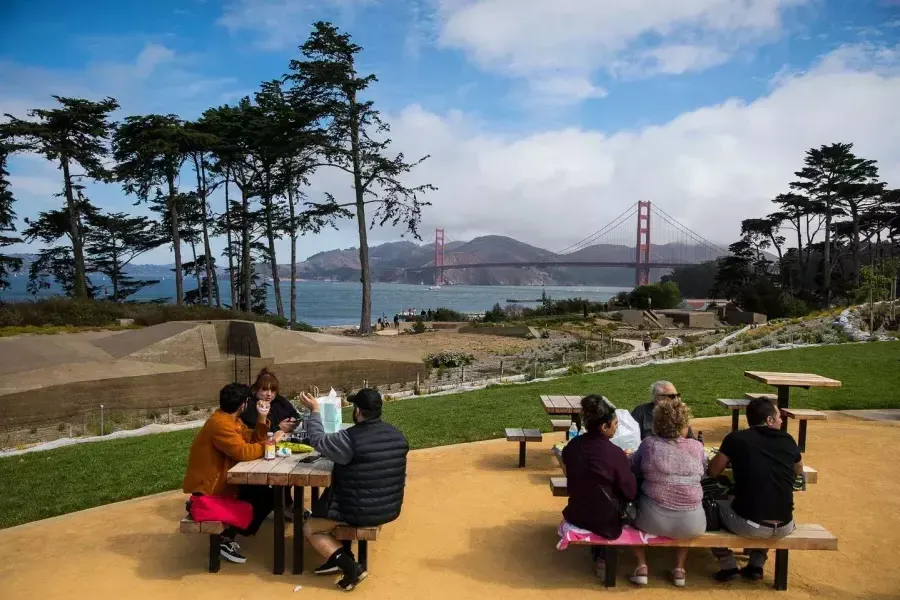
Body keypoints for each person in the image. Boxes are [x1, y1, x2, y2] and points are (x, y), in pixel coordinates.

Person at [297, 388, 409, 591]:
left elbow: (318, 440)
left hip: (360, 511)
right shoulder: (397, 435)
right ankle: (340, 556)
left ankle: (351, 567)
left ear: (357, 411)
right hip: (388, 508)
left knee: (310, 528)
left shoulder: (349, 439)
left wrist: (315, 410)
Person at [182, 383, 286, 564]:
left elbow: (252, 440)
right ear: (243, 404)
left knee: (267, 493)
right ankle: (225, 538)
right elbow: (243, 452)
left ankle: (229, 534)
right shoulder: (220, 425)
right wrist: (272, 442)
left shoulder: (231, 420)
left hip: (225, 481)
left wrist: (262, 418)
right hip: (213, 488)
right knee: (265, 496)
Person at [708, 397, 802, 582]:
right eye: (779, 417)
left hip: (749, 525)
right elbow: (798, 470)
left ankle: (728, 565)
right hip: (785, 525)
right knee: (769, 501)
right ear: (769, 420)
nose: (782, 420)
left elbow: (713, 471)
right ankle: (756, 565)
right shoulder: (788, 440)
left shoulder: (736, 438)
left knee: (710, 506)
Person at [630, 398, 706, 587]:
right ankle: (679, 569)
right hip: (693, 523)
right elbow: (704, 471)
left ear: (657, 422)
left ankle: (641, 565)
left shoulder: (649, 444)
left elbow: (634, 467)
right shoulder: (697, 447)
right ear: (684, 424)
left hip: (652, 520)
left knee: (627, 506)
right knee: (689, 503)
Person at [561, 395, 638, 581]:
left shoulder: (571, 447)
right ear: (604, 427)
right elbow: (630, 492)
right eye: (615, 424)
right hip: (606, 522)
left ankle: (600, 556)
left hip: (577, 513)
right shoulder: (615, 453)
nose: (617, 427)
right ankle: (608, 559)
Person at [240, 368, 300, 519]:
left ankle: (286, 504)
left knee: (291, 471)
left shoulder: (279, 401)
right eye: (265, 389)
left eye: (272, 390)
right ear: (256, 389)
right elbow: (258, 432)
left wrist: (292, 422)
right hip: (257, 452)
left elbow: (295, 415)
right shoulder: (250, 406)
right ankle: (282, 505)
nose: (269, 394)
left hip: (278, 448)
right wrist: (279, 427)